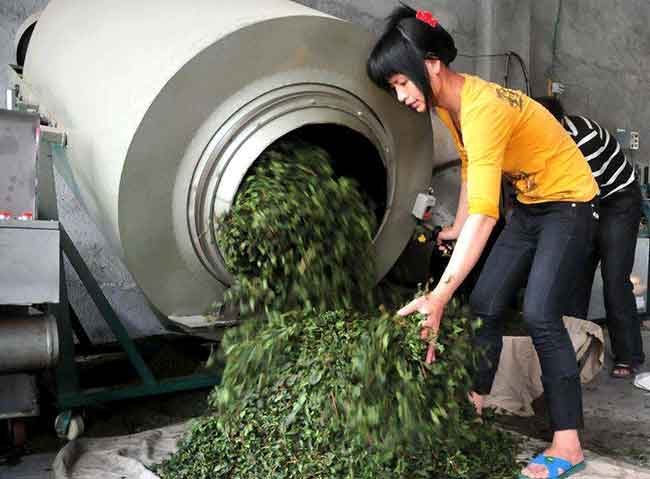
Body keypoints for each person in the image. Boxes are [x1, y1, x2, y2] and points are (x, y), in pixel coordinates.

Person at [367, 6, 599, 479]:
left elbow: (487, 215)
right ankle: (472, 407)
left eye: (402, 82)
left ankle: (568, 444)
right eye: (393, 87)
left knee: (539, 313)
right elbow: (475, 171)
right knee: (485, 302)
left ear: (431, 65)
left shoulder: (482, 108)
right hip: (531, 203)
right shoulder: (451, 106)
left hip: (570, 202)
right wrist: (458, 228)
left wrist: (438, 296)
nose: (401, 94)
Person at [536, 96, 646, 378]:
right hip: (583, 203)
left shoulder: (585, 137)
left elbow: (587, 196)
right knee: (575, 276)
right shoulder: (539, 140)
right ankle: (575, 349)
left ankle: (628, 354)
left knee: (614, 278)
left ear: (559, 124)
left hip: (618, 202)